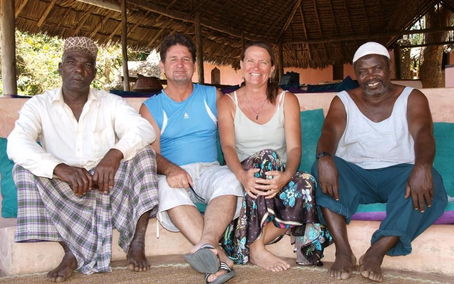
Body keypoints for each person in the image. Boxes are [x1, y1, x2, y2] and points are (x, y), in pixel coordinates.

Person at [7, 37, 159, 282]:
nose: (79, 69)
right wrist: (59, 169)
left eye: (87, 64)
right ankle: (71, 252)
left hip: (108, 184)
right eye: (71, 62)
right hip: (66, 188)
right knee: (22, 169)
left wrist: (114, 154)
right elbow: (17, 143)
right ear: (60, 67)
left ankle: (136, 240)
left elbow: (143, 130)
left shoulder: (110, 102)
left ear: (94, 72)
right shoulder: (39, 105)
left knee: (144, 154)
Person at [312, 42, 448, 282]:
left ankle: (376, 252)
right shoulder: (343, 100)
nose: (371, 76)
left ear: (389, 68)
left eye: (377, 68)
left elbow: (424, 134)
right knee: (321, 168)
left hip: (399, 176)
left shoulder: (411, 97)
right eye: (363, 71)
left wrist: (423, 166)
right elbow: (329, 132)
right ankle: (343, 251)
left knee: (432, 182)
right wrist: (324, 158)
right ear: (356, 74)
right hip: (356, 175)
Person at [218, 42, 332, 273]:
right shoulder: (228, 102)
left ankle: (245, 243)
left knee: (306, 182)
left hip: (276, 175)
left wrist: (286, 176)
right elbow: (228, 147)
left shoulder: (286, 100)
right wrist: (242, 176)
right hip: (244, 173)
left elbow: (294, 149)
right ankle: (257, 247)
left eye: (263, 62)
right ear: (241, 66)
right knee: (265, 155)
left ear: (271, 69)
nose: (255, 67)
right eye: (250, 60)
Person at [139, 33, 243, 284]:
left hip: (209, 170)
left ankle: (208, 246)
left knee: (229, 178)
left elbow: (232, 137)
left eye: (186, 59)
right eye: (173, 59)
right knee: (164, 188)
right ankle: (221, 261)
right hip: (174, 174)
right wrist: (172, 169)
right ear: (162, 66)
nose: (180, 64)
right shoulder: (151, 107)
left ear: (194, 66)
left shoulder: (212, 97)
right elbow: (150, 155)